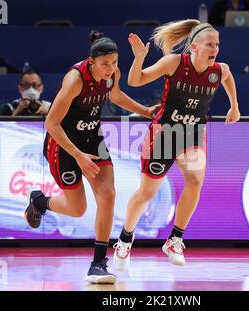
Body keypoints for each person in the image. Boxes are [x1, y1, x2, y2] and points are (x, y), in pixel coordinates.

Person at [23, 31, 158, 284]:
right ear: (92, 61)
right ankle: (40, 202)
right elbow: (52, 123)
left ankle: (98, 264)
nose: (111, 69)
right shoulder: (75, 79)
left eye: (115, 63)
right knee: (78, 209)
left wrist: (144, 111)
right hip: (62, 145)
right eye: (105, 64)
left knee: (108, 194)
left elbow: (116, 96)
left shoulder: (111, 75)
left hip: (92, 139)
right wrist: (77, 155)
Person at [113, 20, 240, 270]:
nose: (215, 48)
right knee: (147, 194)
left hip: (193, 133)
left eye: (217, 44)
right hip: (165, 132)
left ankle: (175, 239)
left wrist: (234, 105)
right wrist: (140, 57)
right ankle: (125, 239)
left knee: (195, 180)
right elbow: (135, 80)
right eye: (209, 44)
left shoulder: (219, 70)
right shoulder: (174, 62)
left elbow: (228, 77)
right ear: (193, 46)